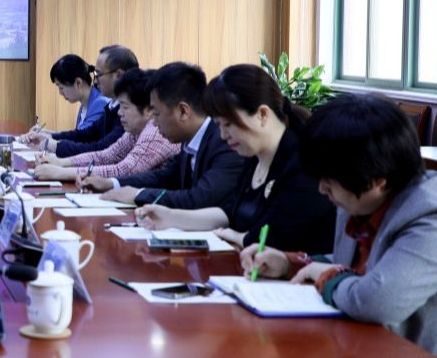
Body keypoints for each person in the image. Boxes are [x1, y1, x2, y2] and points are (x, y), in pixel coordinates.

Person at [241, 94, 437, 358]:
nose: (321, 189)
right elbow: (356, 269)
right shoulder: (360, 197)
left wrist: (327, 276)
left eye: (329, 180)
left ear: (378, 180)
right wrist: (291, 263)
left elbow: (376, 300)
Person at [133, 64, 336, 253]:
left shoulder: (302, 164)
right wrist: (169, 217)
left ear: (262, 114)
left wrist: (236, 237)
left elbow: (272, 238)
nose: (222, 135)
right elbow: (229, 213)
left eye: (228, 125)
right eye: (219, 125)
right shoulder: (253, 158)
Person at [79, 62, 245, 210]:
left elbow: (200, 198)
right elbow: (164, 177)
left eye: (157, 114)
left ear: (183, 111)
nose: (154, 122)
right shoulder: (190, 139)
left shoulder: (225, 142)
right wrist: (111, 183)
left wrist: (139, 194)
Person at [34, 68, 179, 181]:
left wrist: (62, 172)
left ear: (149, 110)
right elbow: (106, 156)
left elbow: (124, 170)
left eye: (125, 107)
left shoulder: (155, 131)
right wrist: (61, 163)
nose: (120, 113)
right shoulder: (136, 130)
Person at [24, 45, 139, 158]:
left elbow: (101, 150)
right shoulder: (112, 105)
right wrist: (49, 137)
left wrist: (53, 145)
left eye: (99, 74)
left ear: (118, 75)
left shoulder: (129, 112)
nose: (95, 81)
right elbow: (84, 135)